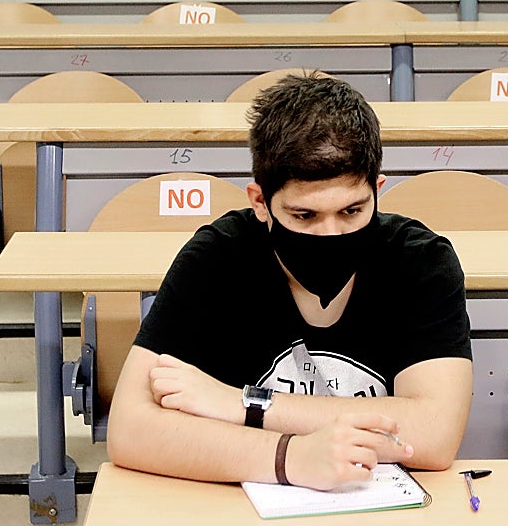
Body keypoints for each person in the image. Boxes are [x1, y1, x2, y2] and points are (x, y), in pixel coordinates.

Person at [107, 74, 473, 490]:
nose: (331, 235)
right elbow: (129, 429)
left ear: (377, 189)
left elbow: (433, 435)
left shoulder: (422, 259)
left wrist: (245, 404)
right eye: (305, 216)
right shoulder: (218, 255)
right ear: (260, 202)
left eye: (352, 211)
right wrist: (291, 457)